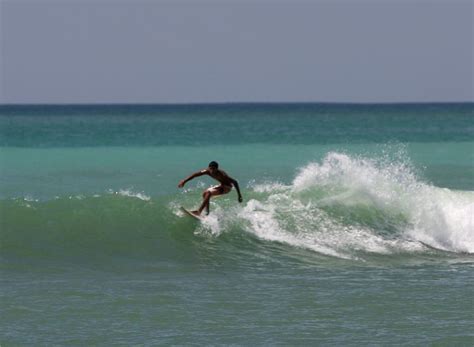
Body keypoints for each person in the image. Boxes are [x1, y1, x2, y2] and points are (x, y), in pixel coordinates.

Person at [178, 161, 243, 216]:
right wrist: (184, 181)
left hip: (227, 187)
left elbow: (235, 182)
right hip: (221, 185)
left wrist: (239, 195)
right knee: (205, 194)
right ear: (209, 168)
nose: (212, 171)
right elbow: (195, 174)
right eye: (210, 168)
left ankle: (199, 211)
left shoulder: (222, 174)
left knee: (208, 193)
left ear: (217, 169)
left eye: (213, 169)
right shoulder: (207, 171)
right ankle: (207, 213)